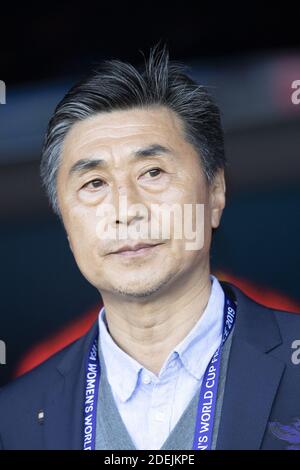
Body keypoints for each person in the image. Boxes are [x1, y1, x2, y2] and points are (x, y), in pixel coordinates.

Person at [0, 45, 300, 451]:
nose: (127, 210)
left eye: (153, 172)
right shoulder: (16, 417)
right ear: (66, 221)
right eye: (94, 184)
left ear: (215, 192)